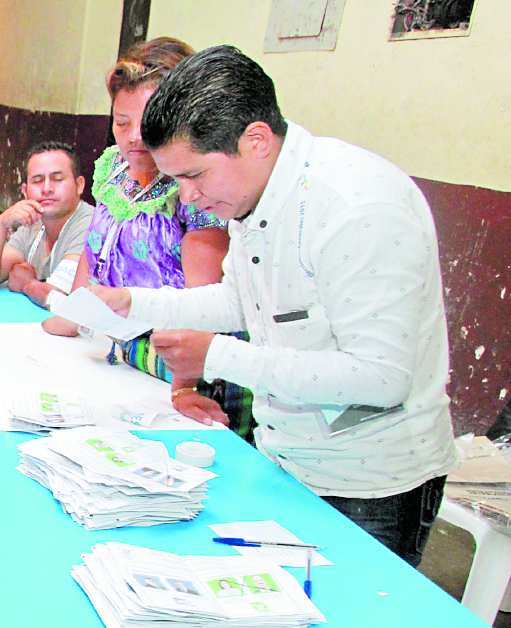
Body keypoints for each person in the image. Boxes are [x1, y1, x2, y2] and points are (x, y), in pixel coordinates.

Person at [89, 45, 459, 567]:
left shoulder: (357, 207)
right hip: (286, 455)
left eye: (194, 176)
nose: (188, 198)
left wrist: (215, 358)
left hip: (370, 485)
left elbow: (380, 377)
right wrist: (134, 302)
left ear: (255, 140)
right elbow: (241, 303)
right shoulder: (253, 193)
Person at [42, 38, 251, 432]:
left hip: (188, 367)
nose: (133, 137)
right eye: (121, 122)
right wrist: (74, 315)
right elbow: (96, 244)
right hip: (127, 353)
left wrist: (184, 387)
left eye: (147, 122)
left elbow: (201, 299)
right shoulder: (114, 168)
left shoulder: (194, 187)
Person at [0, 141, 94, 308]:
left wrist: (26, 284)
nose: (47, 188)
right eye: (37, 181)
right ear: (25, 191)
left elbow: (62, 300)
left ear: (79, 185)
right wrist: (1, 224)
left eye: (57, 179)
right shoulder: (33, 225)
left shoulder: (91, 225)